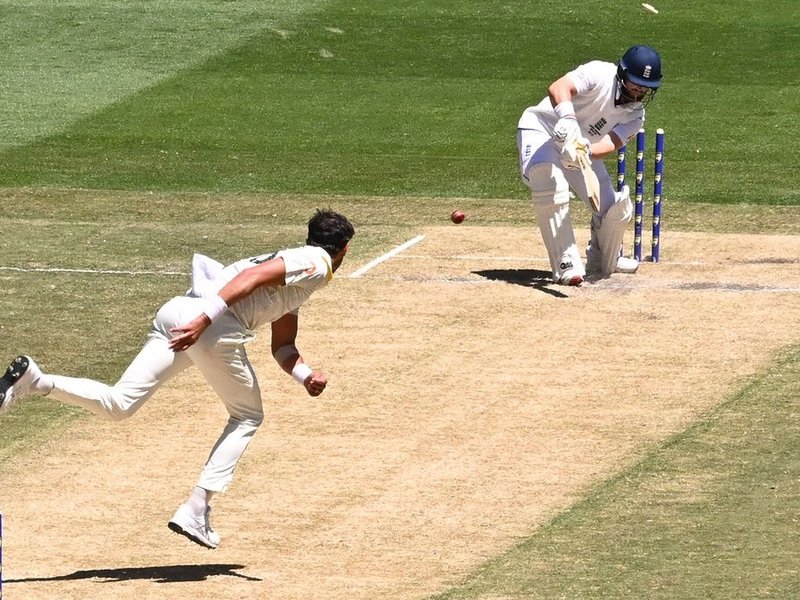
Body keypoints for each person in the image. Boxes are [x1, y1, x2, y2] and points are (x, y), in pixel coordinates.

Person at [0, 209, 355, 549]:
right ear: (343, 249)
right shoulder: (318, 264)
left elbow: (283, 345)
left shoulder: (294, 282)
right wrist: (203, 321)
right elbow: (250, 280)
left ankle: (37, 381)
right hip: (209, 323)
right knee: (248, 415)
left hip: (177, 313)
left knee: (120, 405)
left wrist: (305, 375)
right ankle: (196, 508)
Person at [516, 45, 663, 285]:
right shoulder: (600, 72)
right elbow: (558, 88)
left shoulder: (635, 115)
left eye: (646, 88)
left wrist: (582, 149)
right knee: (550, 182)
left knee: (615, 208)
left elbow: (610, 143)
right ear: (622, 74)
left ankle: (606, 258)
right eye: (636, 84)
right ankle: (566, 263)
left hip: (579, 150)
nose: (639, 92)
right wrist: (568, 119)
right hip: (541, 130)